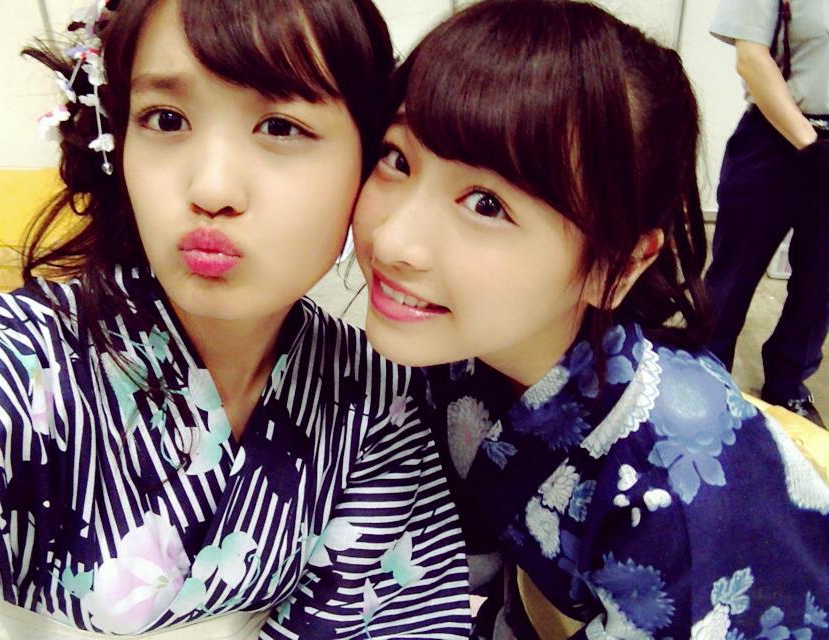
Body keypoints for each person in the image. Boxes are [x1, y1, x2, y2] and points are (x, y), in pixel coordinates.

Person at [0, 0, 471, 637]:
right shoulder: (10, 368)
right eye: (165, 118)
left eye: (281, 127)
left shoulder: (375, 394)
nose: (211, 189)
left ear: (370, 162)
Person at [352, 0, 829, 638]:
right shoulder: (459, 347)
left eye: (486, 204)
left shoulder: (675, 491)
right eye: (397, 158)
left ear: (617, 265)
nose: (392, 242)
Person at [703, 0, 829, 427]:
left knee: (820, 284)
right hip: (773, 139)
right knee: (734, 274)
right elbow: (752, 58)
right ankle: (707, 374)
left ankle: (787, 383)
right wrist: (810, 145)